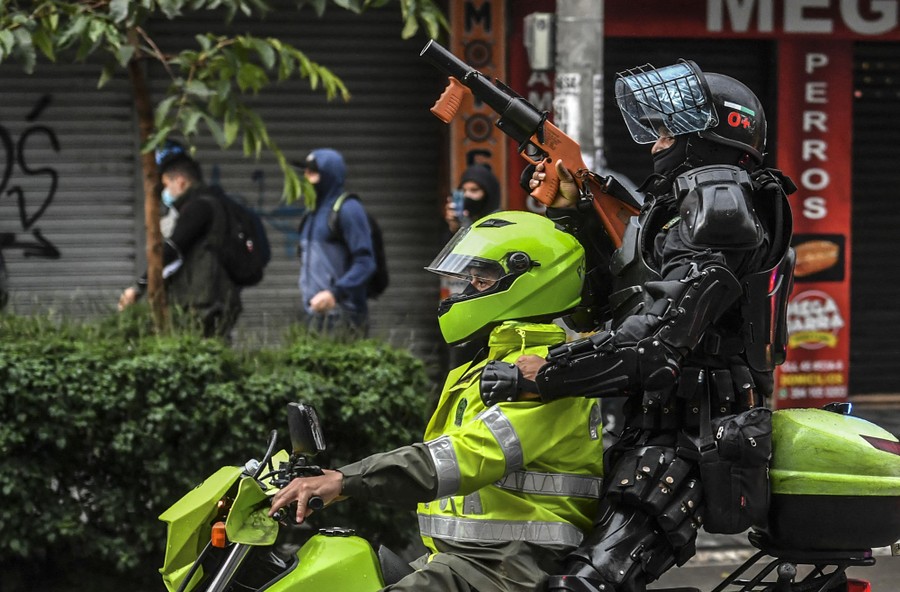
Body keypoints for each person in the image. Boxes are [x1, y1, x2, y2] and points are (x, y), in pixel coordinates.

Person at [506, 61, 796, 591]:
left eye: (669, 128)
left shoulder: (721, 205)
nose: (655, 142)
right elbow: (612, 307)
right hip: (654, 424)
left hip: (690, 438)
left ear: (709, 134)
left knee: (584, 585)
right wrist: (574, 215)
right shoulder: (685, 206)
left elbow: (656, 343)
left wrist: (545, 373)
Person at [270, 210, 606, 592]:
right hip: (463, 558)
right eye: (468, 280)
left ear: (530, 282)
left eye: (480, 280)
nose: (465, 293)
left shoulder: (547, 375)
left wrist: (344, 480)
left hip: (508, 567)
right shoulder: (491, 364)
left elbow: (463, 457)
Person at [118, 140, 242, 339]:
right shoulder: (210, 203)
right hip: (212, 298)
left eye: (166, 185)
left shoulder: (199, 208)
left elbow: (171, 250)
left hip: (204, 302)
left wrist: (138, 287)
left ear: (181, 181)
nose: (165, 192)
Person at [296, 148, 375, 337]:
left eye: (313, 172)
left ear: (328, 175)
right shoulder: (311, 213)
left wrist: (335, 293)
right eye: (305, 172)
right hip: (314, 314)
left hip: (342, 315)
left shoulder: (348, 209)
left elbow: (365, 262)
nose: (306, 178)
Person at [440, 163, 502, 367]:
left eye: (474, 190)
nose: (468, 195)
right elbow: (449, 263)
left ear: (488, 193)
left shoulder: (499, 224)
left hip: (493, 311)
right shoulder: (462, 224)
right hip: (461, 306)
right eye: (464, 190)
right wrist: (452, 229)